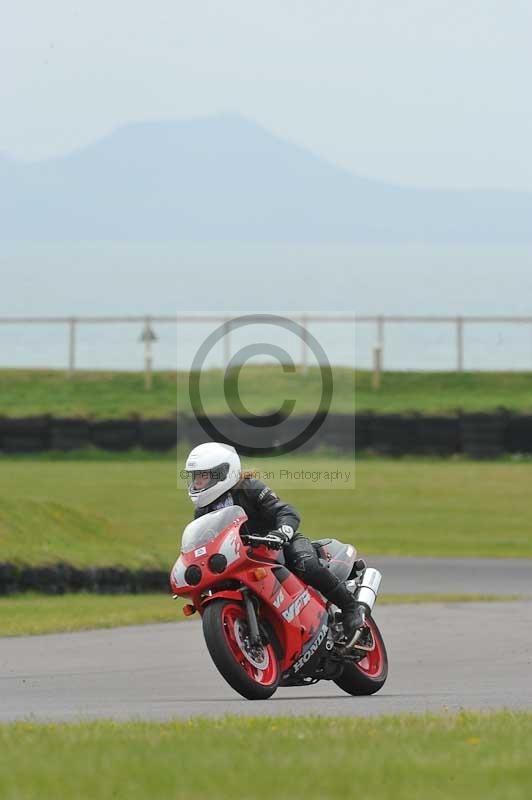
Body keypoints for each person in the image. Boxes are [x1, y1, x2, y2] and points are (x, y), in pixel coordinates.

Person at [184, 441, 365, 645]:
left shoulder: (249, 488)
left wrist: (282, 533)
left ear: (224, 471)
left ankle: (350, 608)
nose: (197, 482)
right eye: (195, 476)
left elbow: (285, 511)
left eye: (204, 476)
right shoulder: (202, 511)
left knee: (307, 565)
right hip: (244, 559)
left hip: (279, 545)